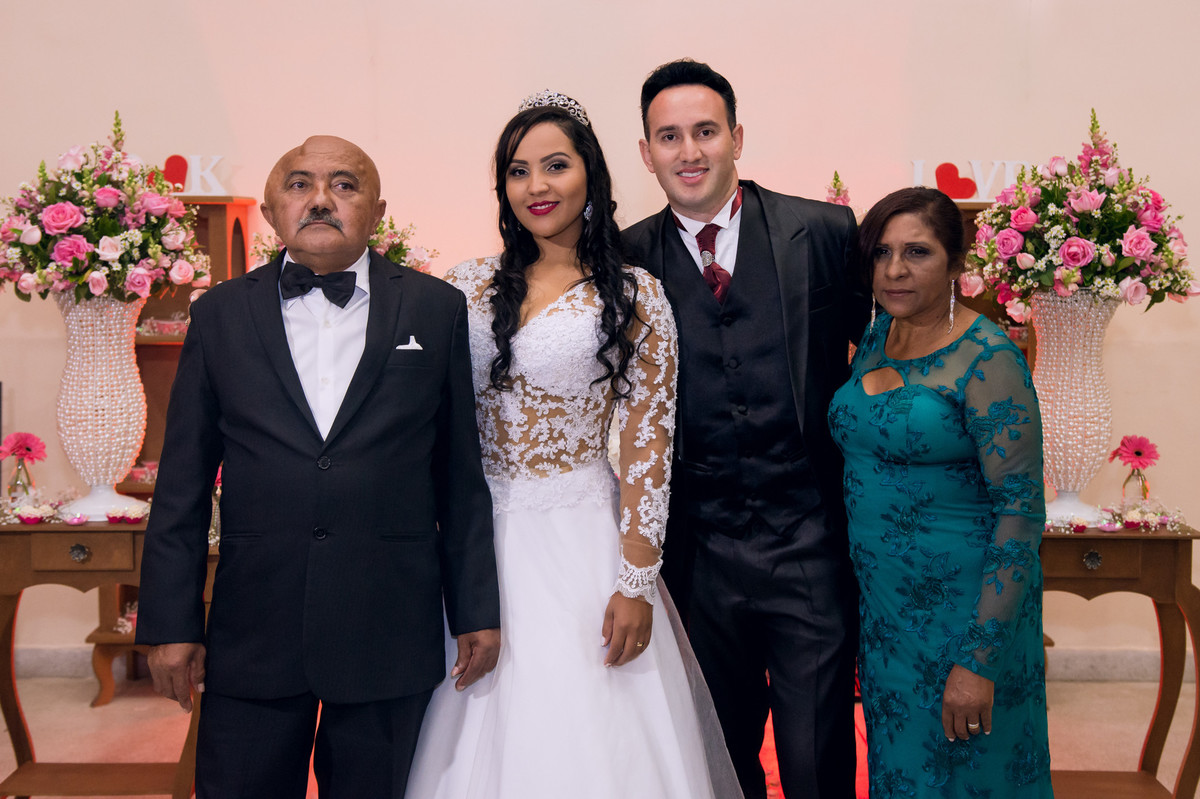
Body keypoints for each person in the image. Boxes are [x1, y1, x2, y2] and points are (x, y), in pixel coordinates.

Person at [135, 135, 501, 799]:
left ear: (378, 209)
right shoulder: (217, 315)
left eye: (345, 184)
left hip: (388, 630)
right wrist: (169, 623)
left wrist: (476, 607)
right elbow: (182, 483)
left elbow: (460, 476)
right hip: (254, 631)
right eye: (300, 184)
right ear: (272, 210)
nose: (322, 199)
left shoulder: (435, 308)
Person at [405, 92, 741, 799]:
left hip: (582, 541)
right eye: (518, 170)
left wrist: (637, 582)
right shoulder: (463, 285)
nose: (537, 186)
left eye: (555, 166)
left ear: (590, 173)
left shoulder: (634, 295)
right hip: (474, 541)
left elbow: (650, 447)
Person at [622, 59, 868, 799]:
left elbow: (886, 361)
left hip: (809, 543)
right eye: (669, 136)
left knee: (816, 755)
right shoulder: (626, 259)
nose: (688, 151)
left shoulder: (823, 233)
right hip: (697, 558)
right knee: (718, 760)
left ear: (736, 137)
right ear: (646, 153)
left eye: (704, 131)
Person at [828, 187, 1053, 796]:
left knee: (972, 778)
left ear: (956, 265)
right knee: (904, 776)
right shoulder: (879, 339)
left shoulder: (988, 357)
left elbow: (1021, 510)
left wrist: (978, 660)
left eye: (917, 253)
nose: (894, 270)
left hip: (966, 618)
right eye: (881, 253)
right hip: (887, 623)